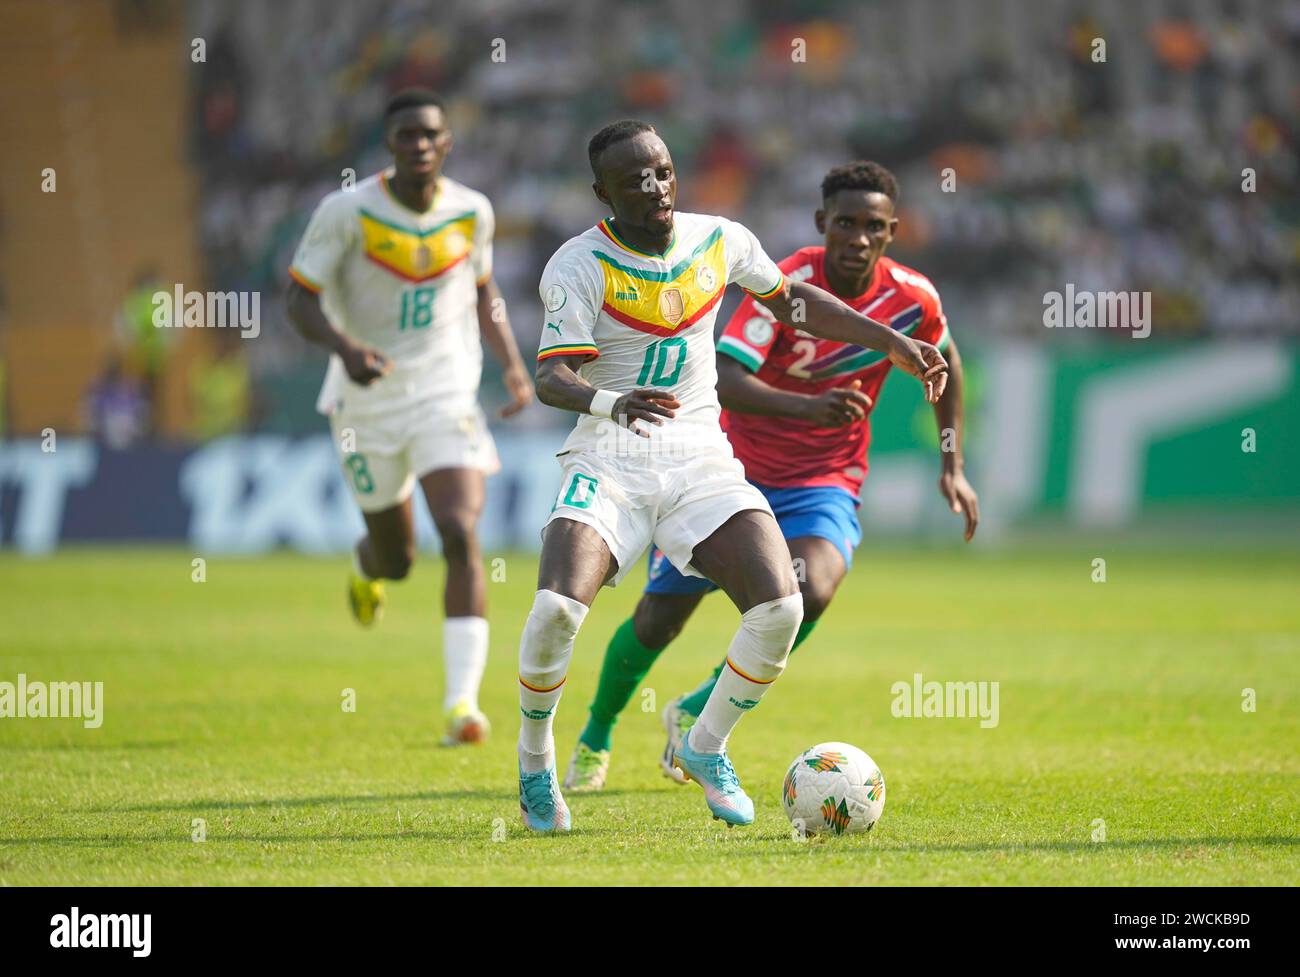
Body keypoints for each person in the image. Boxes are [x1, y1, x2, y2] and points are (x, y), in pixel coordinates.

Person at [516, 122, 949, 832]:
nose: (654, 188)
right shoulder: (577, 263)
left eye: (661, 172)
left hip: (699, 457)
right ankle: (536, 761)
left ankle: (705, 743)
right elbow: (551, 376)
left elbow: (797, 303)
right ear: (603, 194)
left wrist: (891, 339)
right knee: (558, 609)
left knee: (781, 606)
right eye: (634, 180)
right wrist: (609, 399)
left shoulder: (719, 239)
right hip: (608, 455)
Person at [285, 89, 533, 746]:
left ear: (447, 142)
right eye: (406, 135)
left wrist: (511, 365)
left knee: (459, 530)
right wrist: (344, 347)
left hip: (447, 391)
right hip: (364, 397)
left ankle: (462, 706)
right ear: (389, 144)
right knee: (398, 557)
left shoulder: (472, 211)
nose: (419, 144)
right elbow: (298, 298)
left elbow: (485, 292)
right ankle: (368, 569)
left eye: (430, 134)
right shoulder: (346, 211)